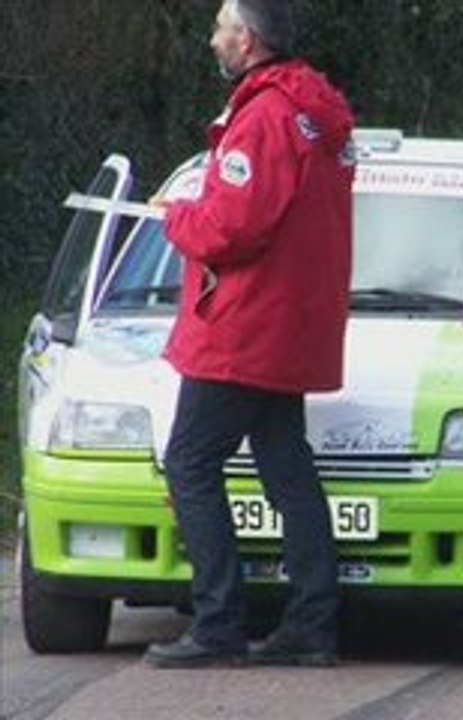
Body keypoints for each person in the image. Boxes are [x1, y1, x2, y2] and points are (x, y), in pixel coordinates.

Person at [143, 0, 355, 669]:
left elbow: (232, 228)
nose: (213, 40)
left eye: (220, 28)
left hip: (244, 326)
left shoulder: (263, 116)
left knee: (190, 463)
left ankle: (217, 624)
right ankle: (312, 624)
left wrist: (177, 216)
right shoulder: (313, 111)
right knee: (286, 465)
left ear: (248, 39)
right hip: (292, 322)